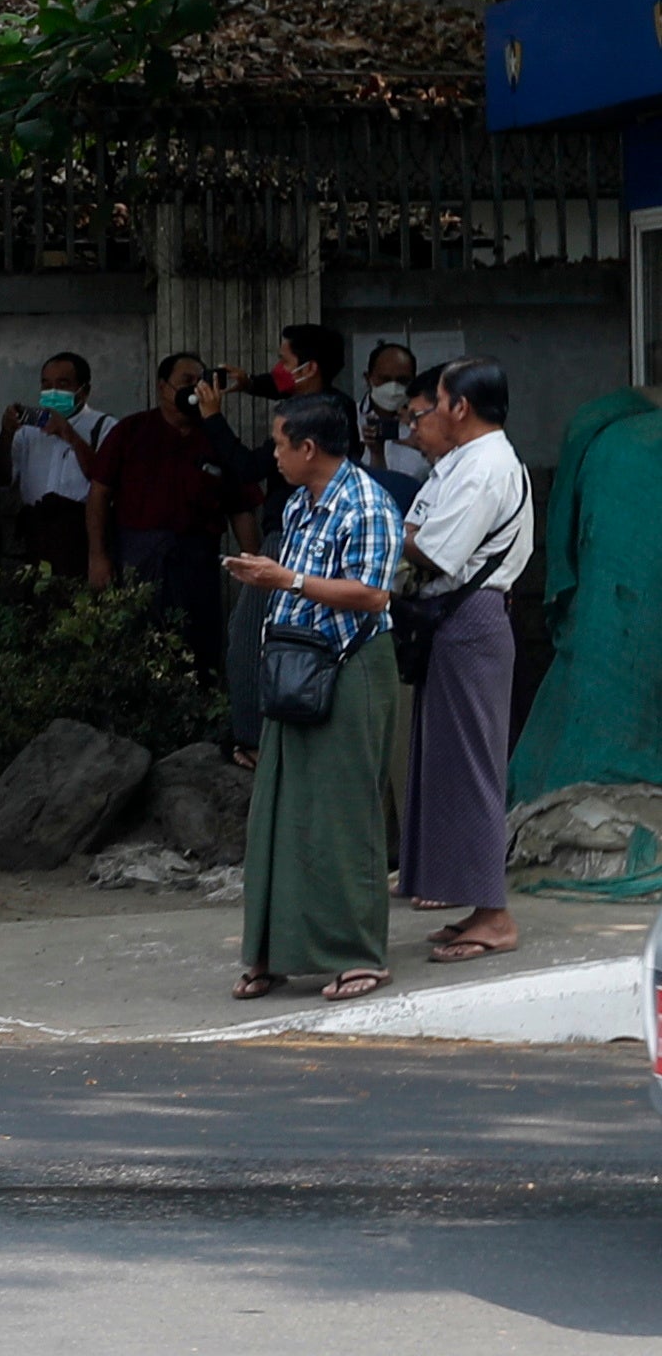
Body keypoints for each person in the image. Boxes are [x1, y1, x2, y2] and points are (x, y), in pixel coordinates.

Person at [226, 391, 405, 1005]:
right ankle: (272, 952)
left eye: (279, 443)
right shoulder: (303, 502)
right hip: (294, 664)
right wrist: (268, 577)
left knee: (345, 815)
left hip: (350, 665)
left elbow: (374, 595)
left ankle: (358, 954)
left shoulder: (368, 503)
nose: (272, 454)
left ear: (308, 448)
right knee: (278, 811)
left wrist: (287, 579)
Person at [395, 358, 532, 967]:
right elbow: (423, 524)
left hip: (471, 618)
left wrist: (391, 534)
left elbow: (435, 546)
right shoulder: (467, 462)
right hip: (456, 620)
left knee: (472, 765)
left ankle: (495, 915)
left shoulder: (485, 467)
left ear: (460, 407)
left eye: (438, 400)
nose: (431, 411)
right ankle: (475, 903)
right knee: (446, 762)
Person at [88, 353, 260, 704]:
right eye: (185, 382)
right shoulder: (131, 431)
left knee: (199, 648)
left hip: (198, 558)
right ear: (162, 387)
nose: (193, 389)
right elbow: (98, 494)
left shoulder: (217, 438)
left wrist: (255, 566)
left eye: (199, 381)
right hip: (138, 556)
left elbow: (241, 509)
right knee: (139, 644)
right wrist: (98, 556)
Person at [217, 322, 347, 757]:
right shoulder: (339, 407)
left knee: (251, 634)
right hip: (317, 540)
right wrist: (251, 384)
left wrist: (212, 418)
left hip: (288, 541)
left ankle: (252, 741)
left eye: (284, 361)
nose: (278, 370)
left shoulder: (305, 418)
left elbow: (247, 468)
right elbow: (295, 393)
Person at [0, 351, 114, 582]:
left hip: (81, 530)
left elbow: (103, 478)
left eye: (62, 384)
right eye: (46, 385)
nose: (52, 392)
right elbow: (2, 478)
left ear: (84, 391)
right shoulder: (28, 431)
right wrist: (6, 433)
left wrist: (69, 434)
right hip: (38, 529)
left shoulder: (104, 426)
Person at [358, 341, 429, 503]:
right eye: (385, 379)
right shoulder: (351, 419)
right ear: (368, 378)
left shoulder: (425, 424)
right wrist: (376, 452)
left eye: (402, 380)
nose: (393, 387)